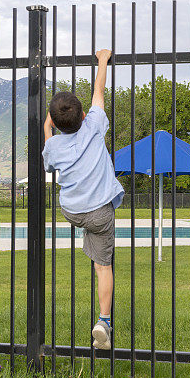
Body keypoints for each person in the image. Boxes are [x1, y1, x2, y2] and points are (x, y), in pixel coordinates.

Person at [42, 48, 124, 350]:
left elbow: (48, 156)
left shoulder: (53, 147)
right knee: (104, 266)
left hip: (73, 211)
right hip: (100, 210)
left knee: (93, 248)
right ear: (85, 116)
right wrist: (102, 61)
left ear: (53, 119)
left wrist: (47, 127)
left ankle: (90, 246)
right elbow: (98, 92)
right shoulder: (93, 126)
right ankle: (104, 320)